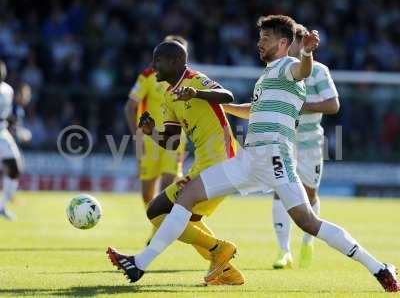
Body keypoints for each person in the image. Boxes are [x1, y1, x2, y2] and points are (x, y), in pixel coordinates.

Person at [107, 15, 399, 292]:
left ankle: (378, 267)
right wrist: (215, 106)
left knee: (307, 221)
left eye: (266, 38)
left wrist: (307, 54)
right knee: (188, 195)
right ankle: (139, 264)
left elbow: (302, 70)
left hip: (274, 158)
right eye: (260, 37)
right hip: (249, 160)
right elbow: (252, 110)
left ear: (284, 43)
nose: (260, 42)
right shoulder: (268, 75)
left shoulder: (288, 65)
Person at [108, 40, 244, 285]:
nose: (153, 66)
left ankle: (217, 249)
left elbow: (227, 95)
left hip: (223, 162)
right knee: (184, 220)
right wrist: (150, 132)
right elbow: (171, 141)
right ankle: (224, 268)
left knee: (160, 211)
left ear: (174, 62)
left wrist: (197, 93)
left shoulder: (195, 79)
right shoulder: (169, 98)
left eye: (157, 61)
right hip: (205, 164)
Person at [224, 24, 340, 269]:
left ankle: (308, 241)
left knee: (309, 195)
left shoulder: (318, 71)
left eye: (298, 41)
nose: (295, 45)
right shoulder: (275, 71)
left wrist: (302, 106)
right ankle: (283, 250)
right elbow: (257, 108)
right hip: (282, 143)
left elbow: (333, 105)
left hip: (309, 143)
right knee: (279, 189)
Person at [124, 35, 187, 242]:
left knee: (167, 185)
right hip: (150, 140)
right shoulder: (148, 75)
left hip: (174, 140)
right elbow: (130, 106)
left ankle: (159, 233)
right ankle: (158, 223)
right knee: (146, 193)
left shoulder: (189, 79)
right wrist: (137, 135)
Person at [0, 61, 24, 221]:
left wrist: (16, 127)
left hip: (1, 132)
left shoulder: (8, 90)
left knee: (15, 168)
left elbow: (7, 114)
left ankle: (2, 207)